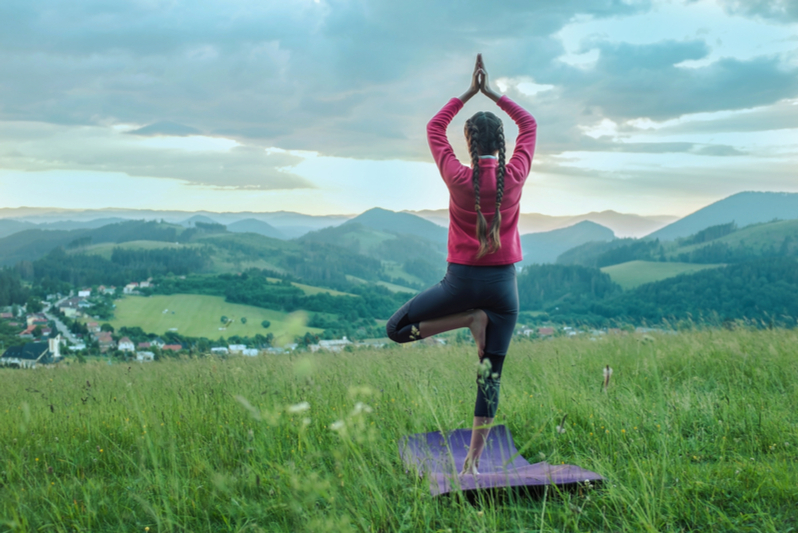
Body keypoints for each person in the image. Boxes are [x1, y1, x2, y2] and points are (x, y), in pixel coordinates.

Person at [386, 54, 537, 475]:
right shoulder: (517, 173)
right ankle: (472, 460)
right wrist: (494, 94)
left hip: (459, 285)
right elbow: (530, 125)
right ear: (501, 143)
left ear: (468, 143)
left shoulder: (456, 176)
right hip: (504, 290)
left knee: (396, 330)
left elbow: (435, 128)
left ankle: (470, 319)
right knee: (490, 378)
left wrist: (468, 93)